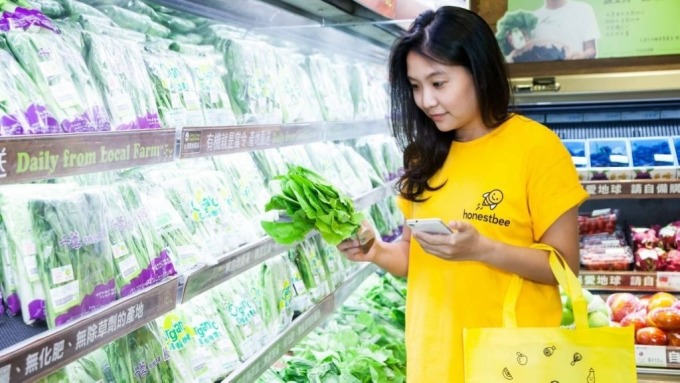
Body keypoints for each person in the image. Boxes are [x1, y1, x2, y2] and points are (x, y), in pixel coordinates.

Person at [337, 6, 589, 383]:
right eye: (416, 86)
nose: (426, 101)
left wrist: (483, 249)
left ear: (478, 71)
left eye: (439, 83)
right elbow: (413, 258)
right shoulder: (424, 156)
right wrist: (374, 250)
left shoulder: (536, 148)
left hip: (512, 364)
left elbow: (565, 267)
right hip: (433, 361)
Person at [531, 0, 600, 59]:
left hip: (574, 70)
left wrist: (582, 56)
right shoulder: (533, 18)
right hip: (545, 73)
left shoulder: (583, 9)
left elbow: (591, 49)